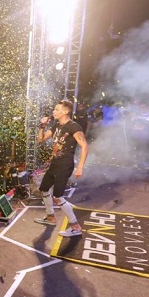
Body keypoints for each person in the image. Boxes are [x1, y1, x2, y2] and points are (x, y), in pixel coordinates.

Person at [34, 100, 89, 237]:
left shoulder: (73, 126)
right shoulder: (56, 126)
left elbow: (85, 146)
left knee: (58, 197)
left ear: (65, 111)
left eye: (57, 109)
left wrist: (80, 167)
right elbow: (40, 140)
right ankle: (51, 217)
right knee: (44, 189)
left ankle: (75, 226)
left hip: (64, 165)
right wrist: (42, 126)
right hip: (55, 163)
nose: (53, 112)